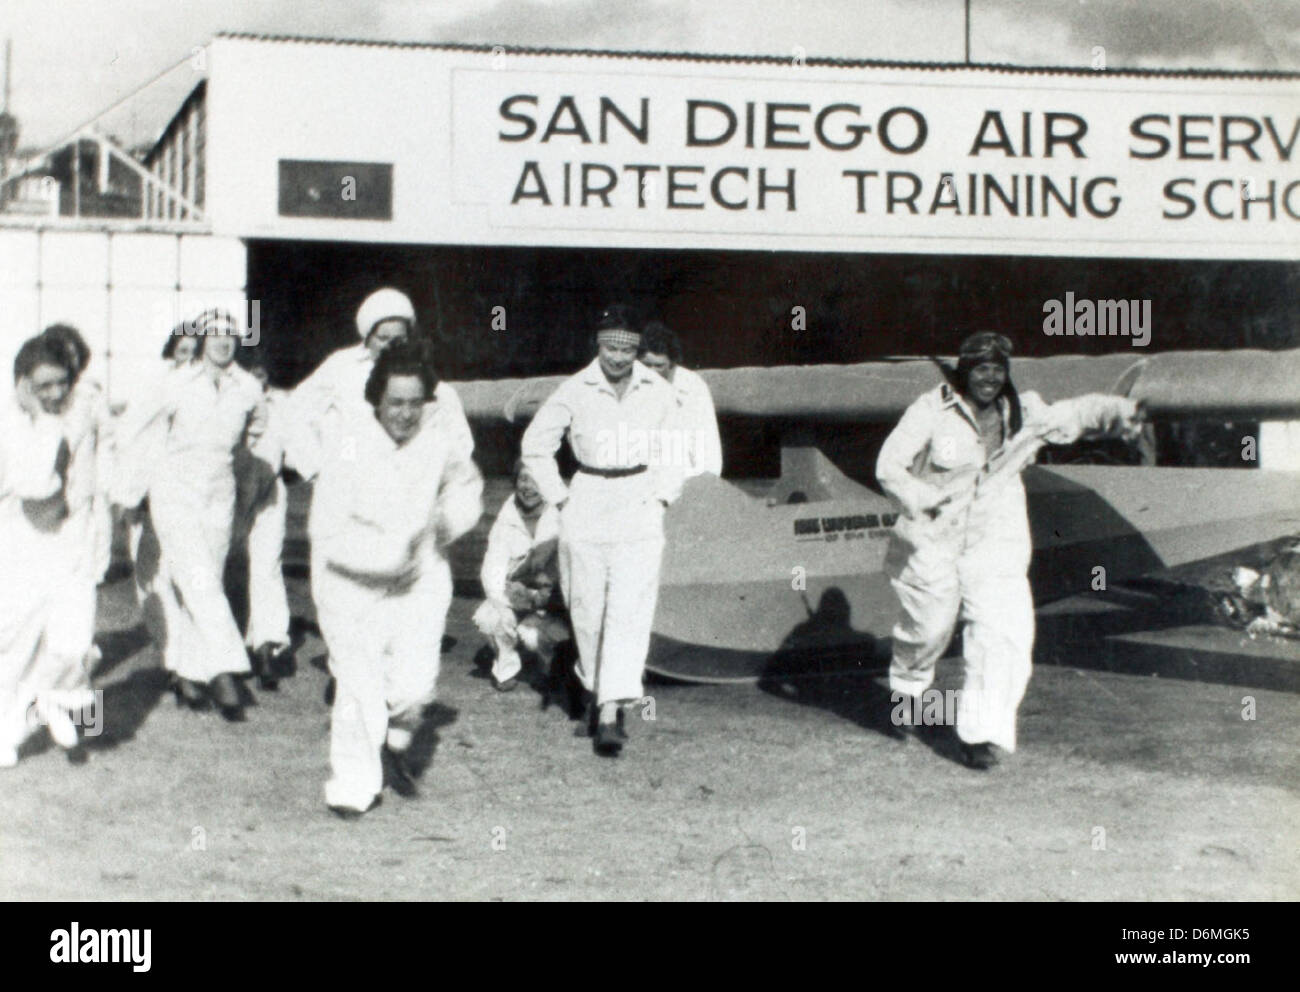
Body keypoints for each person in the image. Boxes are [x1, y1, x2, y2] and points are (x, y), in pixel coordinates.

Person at [876, 331, 1143, 770]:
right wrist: (923, 499)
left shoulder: (1024, 411)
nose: (989, 378)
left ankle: (982, 735)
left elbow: (1072, 415)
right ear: (965, 370)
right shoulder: (930, 409)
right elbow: (889, 466)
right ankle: (907, 684)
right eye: (981, 368)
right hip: (934, 535)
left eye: (998, 369)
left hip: (995, 538)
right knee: (929, 628)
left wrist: (1119, 411)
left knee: (1004, 633)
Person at [309, 342, 482, 818]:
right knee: (358, 687)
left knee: (413, 686)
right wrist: (382, 559)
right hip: (354, 583)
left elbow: (467, 489)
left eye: (414, 402)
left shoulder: (439, 439)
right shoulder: (348, 445)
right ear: (376, 402)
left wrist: (448, 521)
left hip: (422, 581)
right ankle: (352, 785)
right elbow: (326, 529)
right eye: (395, 403)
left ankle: (396, 734)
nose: (406, 414)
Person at [521, 305, 683, 755]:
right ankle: (595, 691)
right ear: (598, 343)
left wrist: (662, 497)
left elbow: (675, 449)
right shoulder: (575, 389)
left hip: (638, 498)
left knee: (630, 608)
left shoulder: (657, 389)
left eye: (628, 349)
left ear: (638, 349)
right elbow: (535, 446)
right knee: (588, 608)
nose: (618, 357)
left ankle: (611, 710)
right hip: (588, 497)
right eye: (611, 347)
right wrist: (562, 497)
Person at [111, 309, 268, 721]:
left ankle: (188, 673)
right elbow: (131, 427)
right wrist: (129, 485)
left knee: (204, 582)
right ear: (201, 340)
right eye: (215, 334)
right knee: (198, 578)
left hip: (219, 493)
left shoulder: (248, 388)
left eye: (231, 335)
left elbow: (256, 434)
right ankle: (225, 669)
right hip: (173, 489)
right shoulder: (175, 382)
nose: (223, 341)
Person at [0, 334, 99, 764]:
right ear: (22, 386)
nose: (55, 393)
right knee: (14, 643)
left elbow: (91, 482)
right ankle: (8, 724)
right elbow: (38, 486)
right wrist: (42, 418)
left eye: (61, 382)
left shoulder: (80, 411)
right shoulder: (13, 425)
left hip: (72, 540)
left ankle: (50, 697)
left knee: (73, 642)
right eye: (43, 386)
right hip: (22, 542)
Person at [285, 287, 472, 481]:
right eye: (383, 338)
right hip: (350, 477)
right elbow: (295, 411)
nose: (391, 346)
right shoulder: (341, 366)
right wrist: (316, 468)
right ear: (368, 338)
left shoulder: (422, 372)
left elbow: (457, 436)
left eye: (399, 339)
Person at [472, 459, 568, 692]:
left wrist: (545, 599)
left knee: (535, 636)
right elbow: (492, 568)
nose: (528, 487)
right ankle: (506, 667)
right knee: (489, 617)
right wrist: (504, 602)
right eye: (523, 479)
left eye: (536, 481)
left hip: (554, 601)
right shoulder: (506, 519)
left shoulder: (565, 514)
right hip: (515, 595)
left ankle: (551, 668)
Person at [233, 360, 291, 689]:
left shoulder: (283, 404)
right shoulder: (228, 399)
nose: (256, 378)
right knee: (229, 567)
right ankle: (229, 649)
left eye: (262, 371)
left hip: (270, 489)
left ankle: (268, 646)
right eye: (249, 371)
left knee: (267, 565)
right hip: (229, 489)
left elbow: (298, 445)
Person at [639, 320, 723, 478]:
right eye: (646, 365)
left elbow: (708, 447)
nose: (651, 372)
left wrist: (703, 485)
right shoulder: (632, 382)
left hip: (684, 475)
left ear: (672, 364)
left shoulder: (692, 387)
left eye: (659, 366)